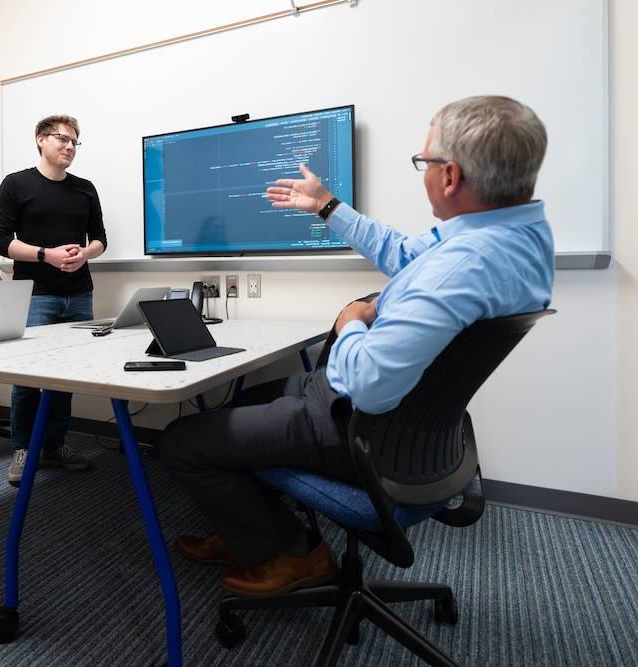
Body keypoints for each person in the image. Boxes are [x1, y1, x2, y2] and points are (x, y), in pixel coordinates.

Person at [159, 96, 555, 597]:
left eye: (425, 162)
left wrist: (350, 322)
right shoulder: (515, 236)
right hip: (412, 424)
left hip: (362, 426)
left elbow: (367, 384)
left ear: (450, 176)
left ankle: (295, 554)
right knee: (246, 401)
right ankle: (245, 530)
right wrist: (327, 205)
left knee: (183, 441)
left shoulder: (460, 269)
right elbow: (406, 254)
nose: (424, 172)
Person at [0, 115, 108, 485]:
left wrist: (84, 254)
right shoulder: (16, 184)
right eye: (62, 139)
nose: (69, 146)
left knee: (66, 374)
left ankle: (55, 446)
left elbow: (101, 238)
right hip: (36, 294)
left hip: (79, 294)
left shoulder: (85, 188)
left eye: (75, 141)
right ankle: (24, 448)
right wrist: (46, 254)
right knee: (27, 377)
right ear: (41, 140)